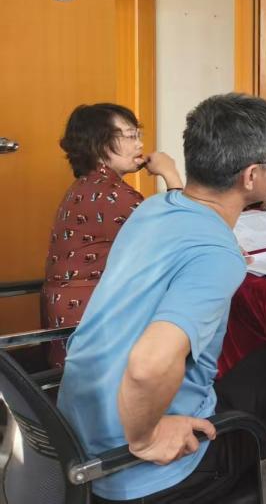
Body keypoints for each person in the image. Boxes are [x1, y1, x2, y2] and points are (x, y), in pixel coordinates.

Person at [56, 93, 266, 503]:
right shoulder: (216, 255)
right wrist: (146, 438)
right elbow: (149, 364)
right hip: (136, 468)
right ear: (252, 175)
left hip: (76, 433)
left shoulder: (156, 207)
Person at [44, 104, 184, 366]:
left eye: (138, 135)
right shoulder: (110, 194)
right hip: (92, 319)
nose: (139, 144)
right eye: (130, 136)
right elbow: (179, 233)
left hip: (78, 313)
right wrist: (170, 173)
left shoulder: (90, 185)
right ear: (99, 144)